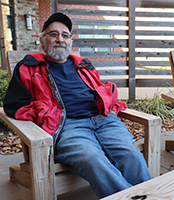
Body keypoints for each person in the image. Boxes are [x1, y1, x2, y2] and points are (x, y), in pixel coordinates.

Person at [3, 12, 151, 198]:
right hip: (68, 126)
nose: (60, 39)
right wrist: (46, 114)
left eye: (65, 35)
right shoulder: (29, 67)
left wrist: (111, 109)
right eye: (53, 34)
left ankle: (150, 195)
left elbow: (102, 93)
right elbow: (14, 106)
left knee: (131, 155)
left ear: (70, 42)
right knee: (92, 158)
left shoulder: (83, 66)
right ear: (42, 41)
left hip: (103, 120)